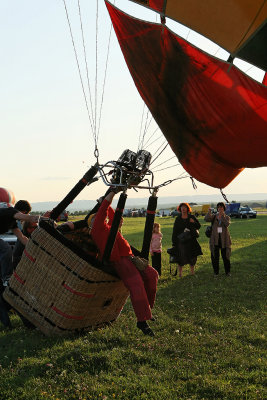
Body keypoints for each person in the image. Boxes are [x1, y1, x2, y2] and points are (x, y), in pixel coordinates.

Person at [89, 190, 158, 336]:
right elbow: (102, 213)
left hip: (131, 258)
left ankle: (148, 311)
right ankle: (142, 321)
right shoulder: (97, 230)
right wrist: (106, 199)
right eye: (96, 217)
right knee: (137, 284)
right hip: (119, 261)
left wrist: (108, 203)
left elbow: (114, 215)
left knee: (152, 275)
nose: (100, 218)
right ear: (92, 223)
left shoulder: (110, 227)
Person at [0, 201, 39, 328]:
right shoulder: (11, 212)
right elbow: (28, 218)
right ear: (22, 211)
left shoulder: (12, 224)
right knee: (5, 248)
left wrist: (34, 248)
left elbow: (22, 239)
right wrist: (41, 219)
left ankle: (7, 324)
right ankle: (6, 276)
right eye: (24, 214)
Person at [171, 203, 202, 278]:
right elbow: (174, 231)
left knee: (192, 256)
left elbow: (199, 226)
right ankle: (180, 274)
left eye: (185, 207)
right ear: (180, 209)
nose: (183, 209)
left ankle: (192, 272)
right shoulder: (178, 218)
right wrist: (174, 242)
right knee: (181, 256)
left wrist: (193, 222)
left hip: (191, 240)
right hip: (181, 240)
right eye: (182, 207)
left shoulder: (191, 217)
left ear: (187, 208)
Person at [204, 202, 231, 277]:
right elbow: (206, 219)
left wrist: (221, 217)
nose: (220, 209)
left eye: (221, 207)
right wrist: (209, 213)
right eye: (219, 207)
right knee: (215, 257)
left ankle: (227, 272)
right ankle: (216, 272)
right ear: (217, 208)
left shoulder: (227, 217)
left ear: (224, 208)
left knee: (226, 256)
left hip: (224, 240)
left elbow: (227, 224)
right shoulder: (214, 217)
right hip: (214, 240)